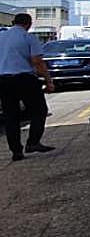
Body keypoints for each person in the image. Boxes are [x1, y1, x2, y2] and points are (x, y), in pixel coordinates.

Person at [0, 13, 53, 160]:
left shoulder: (1, 36)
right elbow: (37, 61)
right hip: (25, 79)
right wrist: (48, 80)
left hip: (4, 80)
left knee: (10, 116)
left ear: (13, 22)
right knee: (39, 110)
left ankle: (16, 151)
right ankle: (33, 142)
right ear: (29, 24)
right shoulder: (29, 37)